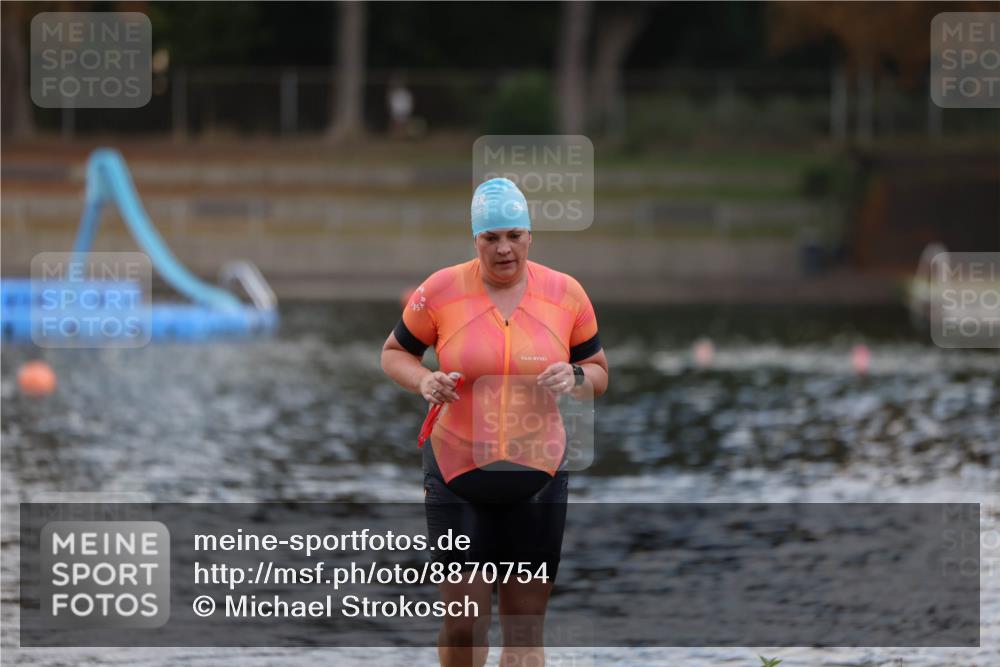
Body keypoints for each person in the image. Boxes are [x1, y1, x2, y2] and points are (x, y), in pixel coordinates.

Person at [381, 177, 609, 667]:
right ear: (475, 240)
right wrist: (424, 380)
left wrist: (574, 375)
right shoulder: (440, 290)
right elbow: (395, 353)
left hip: (538, 476)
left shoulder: (566, 293)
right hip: (457, 473)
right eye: (491, 238)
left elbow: (599, 372)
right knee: (464, 625)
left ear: (530, 236)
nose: (504, 248)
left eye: (514, 235)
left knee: (525, 632)